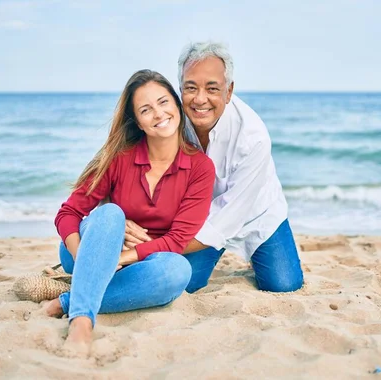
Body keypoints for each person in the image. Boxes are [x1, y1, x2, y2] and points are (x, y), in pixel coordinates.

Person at [44, 70, 215, 354]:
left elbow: (177, 240)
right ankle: (81, 321)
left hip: (143, 265)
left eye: (163, 102)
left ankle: (68, 300)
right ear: (137, 121)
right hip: (86, 251)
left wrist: (121, 258)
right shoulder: (119, 156)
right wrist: (90, 258)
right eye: (146, 109)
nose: (159, 114)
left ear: (176, 104)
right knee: (111, 214)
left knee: (177, 271)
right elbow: (68, 214)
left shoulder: (200, 168)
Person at [124, 42, 304, 293]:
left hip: (253, 212)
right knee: (185, 284)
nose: (200, 99)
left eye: (212, 88)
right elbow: (130, 171)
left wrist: (154, 243)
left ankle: (257, 255)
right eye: (190, 88)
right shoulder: (168, 119)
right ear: (180, 89)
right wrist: (125, 219)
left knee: (284, 285)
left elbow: (224, 222)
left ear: (228, 92)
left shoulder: (253, 137)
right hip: (190, 217)